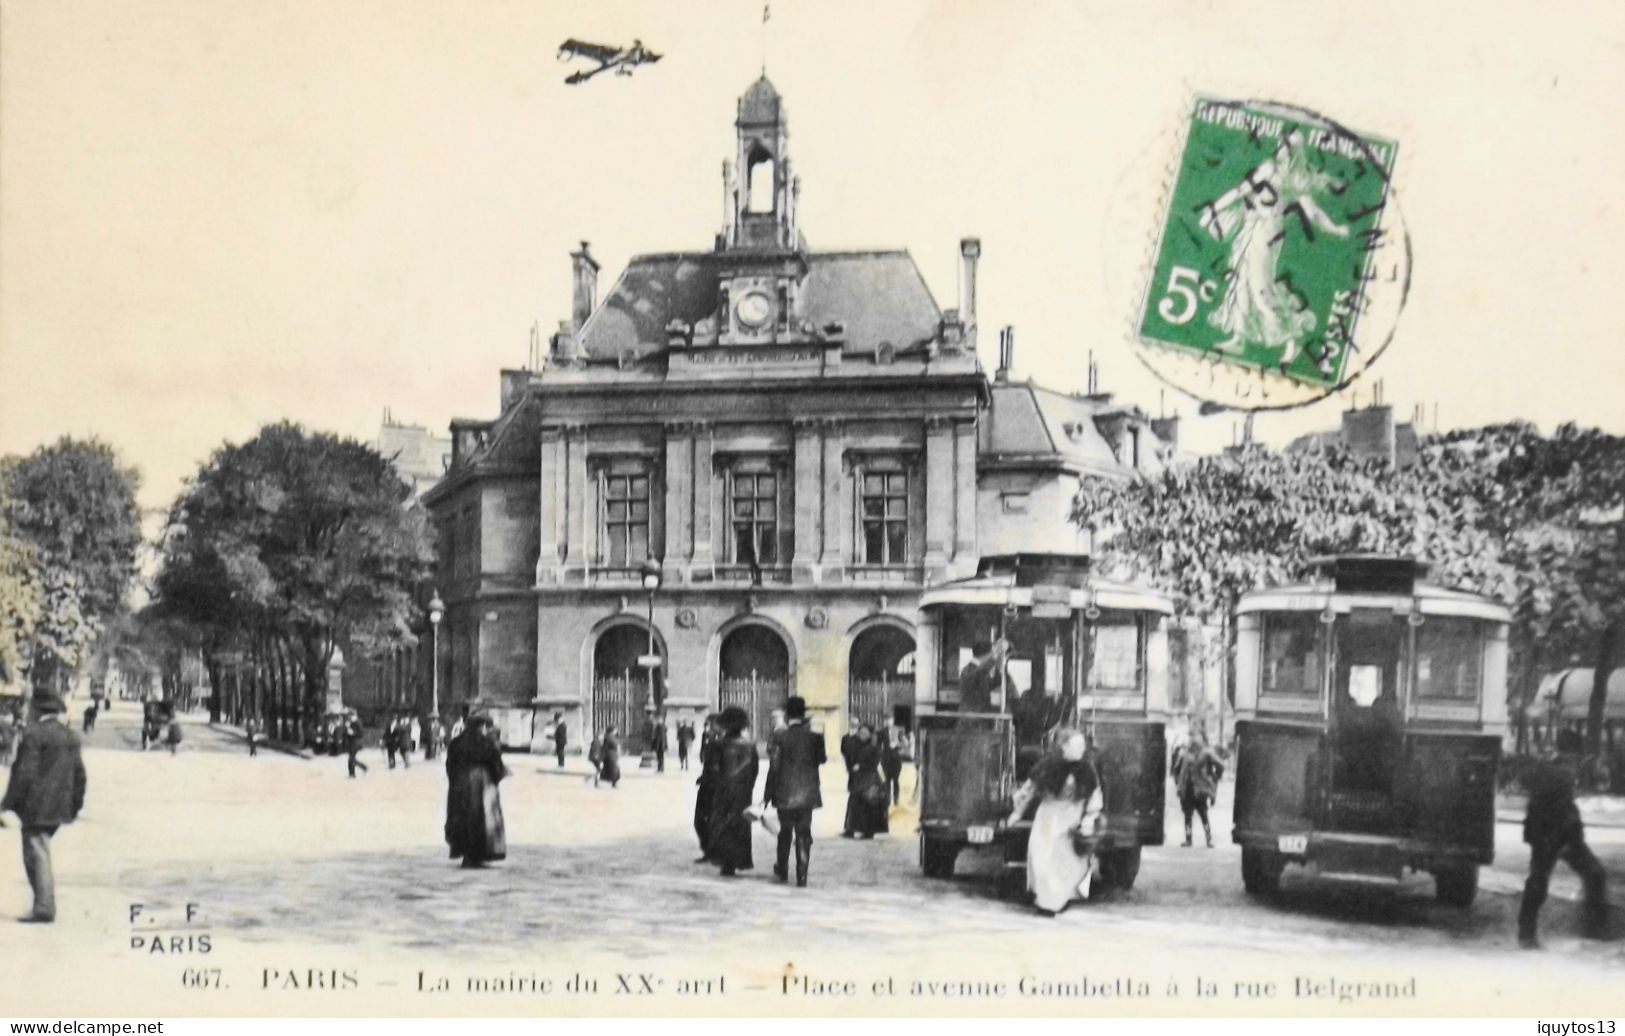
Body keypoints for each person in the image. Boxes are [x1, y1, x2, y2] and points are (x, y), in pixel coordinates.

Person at [0, 692, 87, 923]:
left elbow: (24, 773)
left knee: (36, 852)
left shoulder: (33, 735)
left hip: (36, 806)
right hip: (59, 807)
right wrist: (75, 805)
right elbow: (80, 774)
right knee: (38, 850)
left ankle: (44, 907)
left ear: (38, 709)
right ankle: (43, 903)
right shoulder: (70, 735)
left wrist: (7, 803)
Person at [1008, 729, 1105, 916]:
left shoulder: (1087, 769)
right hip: (1048, 817)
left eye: (1082, 745)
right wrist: (1017, 813)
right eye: (1076, 745)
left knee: (1067, 863)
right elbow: (1028, 791)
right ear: (1063, 746)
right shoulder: (1047, 766)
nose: (1081, 749)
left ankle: (1057, 899)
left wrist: (1088, 820)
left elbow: (1094, 797)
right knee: (1042, 859)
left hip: (1071, 819)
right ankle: (1047, 902)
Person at [1519, 753, 1609, 949]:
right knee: (1593, 874)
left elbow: (1542, 805)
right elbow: (1559, 812)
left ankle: (1526, 934)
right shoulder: (1565, 776)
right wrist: (1566, 838)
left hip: (1550, 836)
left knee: (1539, 882)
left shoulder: (1558, 772)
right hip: (1555, 836)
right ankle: (1595, 931)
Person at [765, 696, 826, 887]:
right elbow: (822, 759)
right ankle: (802, 876)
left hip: (784, 792)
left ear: (787, 714)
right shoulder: (815, 737)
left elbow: (774, 766)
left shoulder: (779, 736)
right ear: (803, 714)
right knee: (804, 832)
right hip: (807, 793)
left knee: (785, 832)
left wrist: (767, 794)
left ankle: (782, 868)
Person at [444, 713, 508, 869]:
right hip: (482, 784)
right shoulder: (486, 743)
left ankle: (466, 853)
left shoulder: (456, 743)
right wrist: (497, 777)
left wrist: (454, 782)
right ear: (482, 726)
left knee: (462, 818)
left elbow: (449, 766)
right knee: (483, 819)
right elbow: (496, 764)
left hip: (460, 785)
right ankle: (480, 853)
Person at [706, 706, 758, 877]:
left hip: (722, 790)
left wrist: (717, 785)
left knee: (722, 824)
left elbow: (712, 769)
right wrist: (747, 787)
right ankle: (738, 859)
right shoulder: (750, 745)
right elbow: (753, 771)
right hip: (742, 792)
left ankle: (725, 861)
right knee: (740, 825)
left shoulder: (717, 745)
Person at [1171, 728, 1224, 848]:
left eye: (1195, 738)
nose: (1193, 741)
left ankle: (1204, 839)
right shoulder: (1186, 753)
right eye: (1192, 738)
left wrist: (1213, 779)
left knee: (1201, 814)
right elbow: (1176, 770)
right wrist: (1179, 783)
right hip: (1190, 789)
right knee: (1191, 814)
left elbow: (1220, 765)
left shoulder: (1205, 753)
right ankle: (1192, 839)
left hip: (1198, 790)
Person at [843, 723, 889, 839]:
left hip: (869, 778)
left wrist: (860, 766)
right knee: (855, 803)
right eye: (861, 733)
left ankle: (868, 831)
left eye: (865, 733)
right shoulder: (854, 744)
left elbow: (876, 762)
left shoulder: (873, 747)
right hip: (858, 779)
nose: (862, 735)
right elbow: (847, 754)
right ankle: (851, 829)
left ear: (870, 734)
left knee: (868, 804)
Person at [692, 714, 721, 861]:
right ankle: (709, 850)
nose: (708, 727)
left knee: (710, 820)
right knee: (700, 820)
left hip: (715, 786)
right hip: (707, 784)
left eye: (710, 724)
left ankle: (713, 851)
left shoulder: (722, 742)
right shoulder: (712, 741)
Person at [958, 639, 1012, 713]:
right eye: (992, 654)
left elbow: (994, 684)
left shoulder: (980, 673)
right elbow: (981, 671)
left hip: (981, 718)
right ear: (988, 655)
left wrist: (1000, 667)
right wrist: (995, 656)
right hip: (971, 720)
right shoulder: (968, 671)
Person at [881, 725, 904, 807]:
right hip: (886, 759)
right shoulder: (882, 731)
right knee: (886, 780)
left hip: (896, 760)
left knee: (896, 780)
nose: (888, 721)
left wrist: (897, 745)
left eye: (889, 719)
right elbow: (879, 745)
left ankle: (896, 798)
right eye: (886, 719)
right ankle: (887, 799)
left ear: (892, 720)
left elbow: (903, 743)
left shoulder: (898, 730)